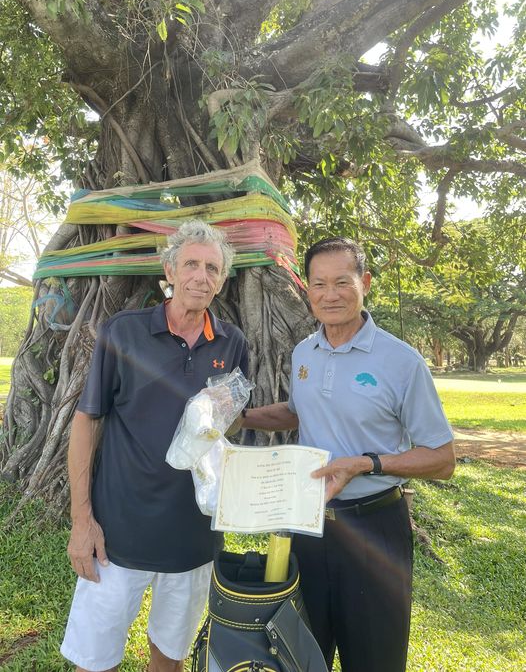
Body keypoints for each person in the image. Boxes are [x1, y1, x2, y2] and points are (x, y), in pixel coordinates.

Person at [241, 236, 455, 672]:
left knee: (375, 656)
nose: (330, 294)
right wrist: (239, 417)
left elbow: (442, 458)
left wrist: (367, 463)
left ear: (366, 283)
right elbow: (297, 413)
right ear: (306, 289)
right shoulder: (304, 352)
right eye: (319, 284)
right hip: (308, 527)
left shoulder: (401, 361)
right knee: (303, 650)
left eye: (342, 281)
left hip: (374, 527)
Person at [61, 220, 249, 672]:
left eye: (212, 268)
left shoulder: (232, 342)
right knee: (94, 660)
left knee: (170, 657)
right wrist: (82, 521)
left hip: (193, 539)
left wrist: (225, 411)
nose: (201, 277)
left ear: (222, 279)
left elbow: (230, 426)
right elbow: (87, 422)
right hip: (118, 537)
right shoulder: (123, 332)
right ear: (169, 269)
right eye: (190, 265)